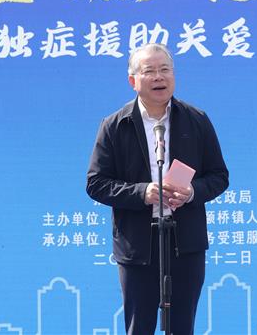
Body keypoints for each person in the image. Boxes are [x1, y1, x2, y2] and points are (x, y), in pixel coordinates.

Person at [87, 43, 229, 334]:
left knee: (182, 327)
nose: (158, 77)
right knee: (139, 327)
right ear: (133, 80)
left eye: (165, 69)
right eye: (149, 71)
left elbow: (219, 176)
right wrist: (142, 192)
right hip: (138, 246)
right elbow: (96, 183)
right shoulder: (115, 125)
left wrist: (192, 192)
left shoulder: (197, 120)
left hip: (185, 242)